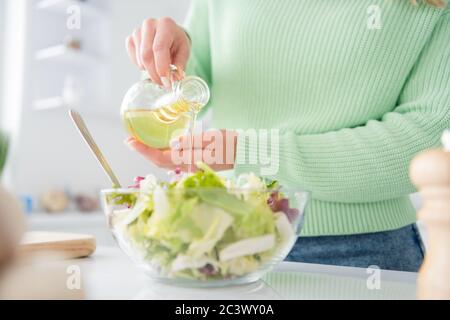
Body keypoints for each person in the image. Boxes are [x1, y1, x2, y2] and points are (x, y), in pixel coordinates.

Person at [124, 0, 450, 271]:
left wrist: (248, 151)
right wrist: (166, 57)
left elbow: (424, 148)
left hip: (362, 254)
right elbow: (190, 82)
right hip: (230, 242)